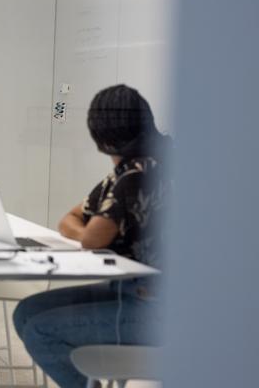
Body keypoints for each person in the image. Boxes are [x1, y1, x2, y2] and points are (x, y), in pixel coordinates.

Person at [13, 85, 171, 388]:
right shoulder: (128, 170)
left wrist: (92, 227)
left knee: (39, 330)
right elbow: (69, 220)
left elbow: (91, 239)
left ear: (102, 136)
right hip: (129, 293)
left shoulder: (137, 174)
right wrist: (93, 226)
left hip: (155, 308)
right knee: (26, 312)